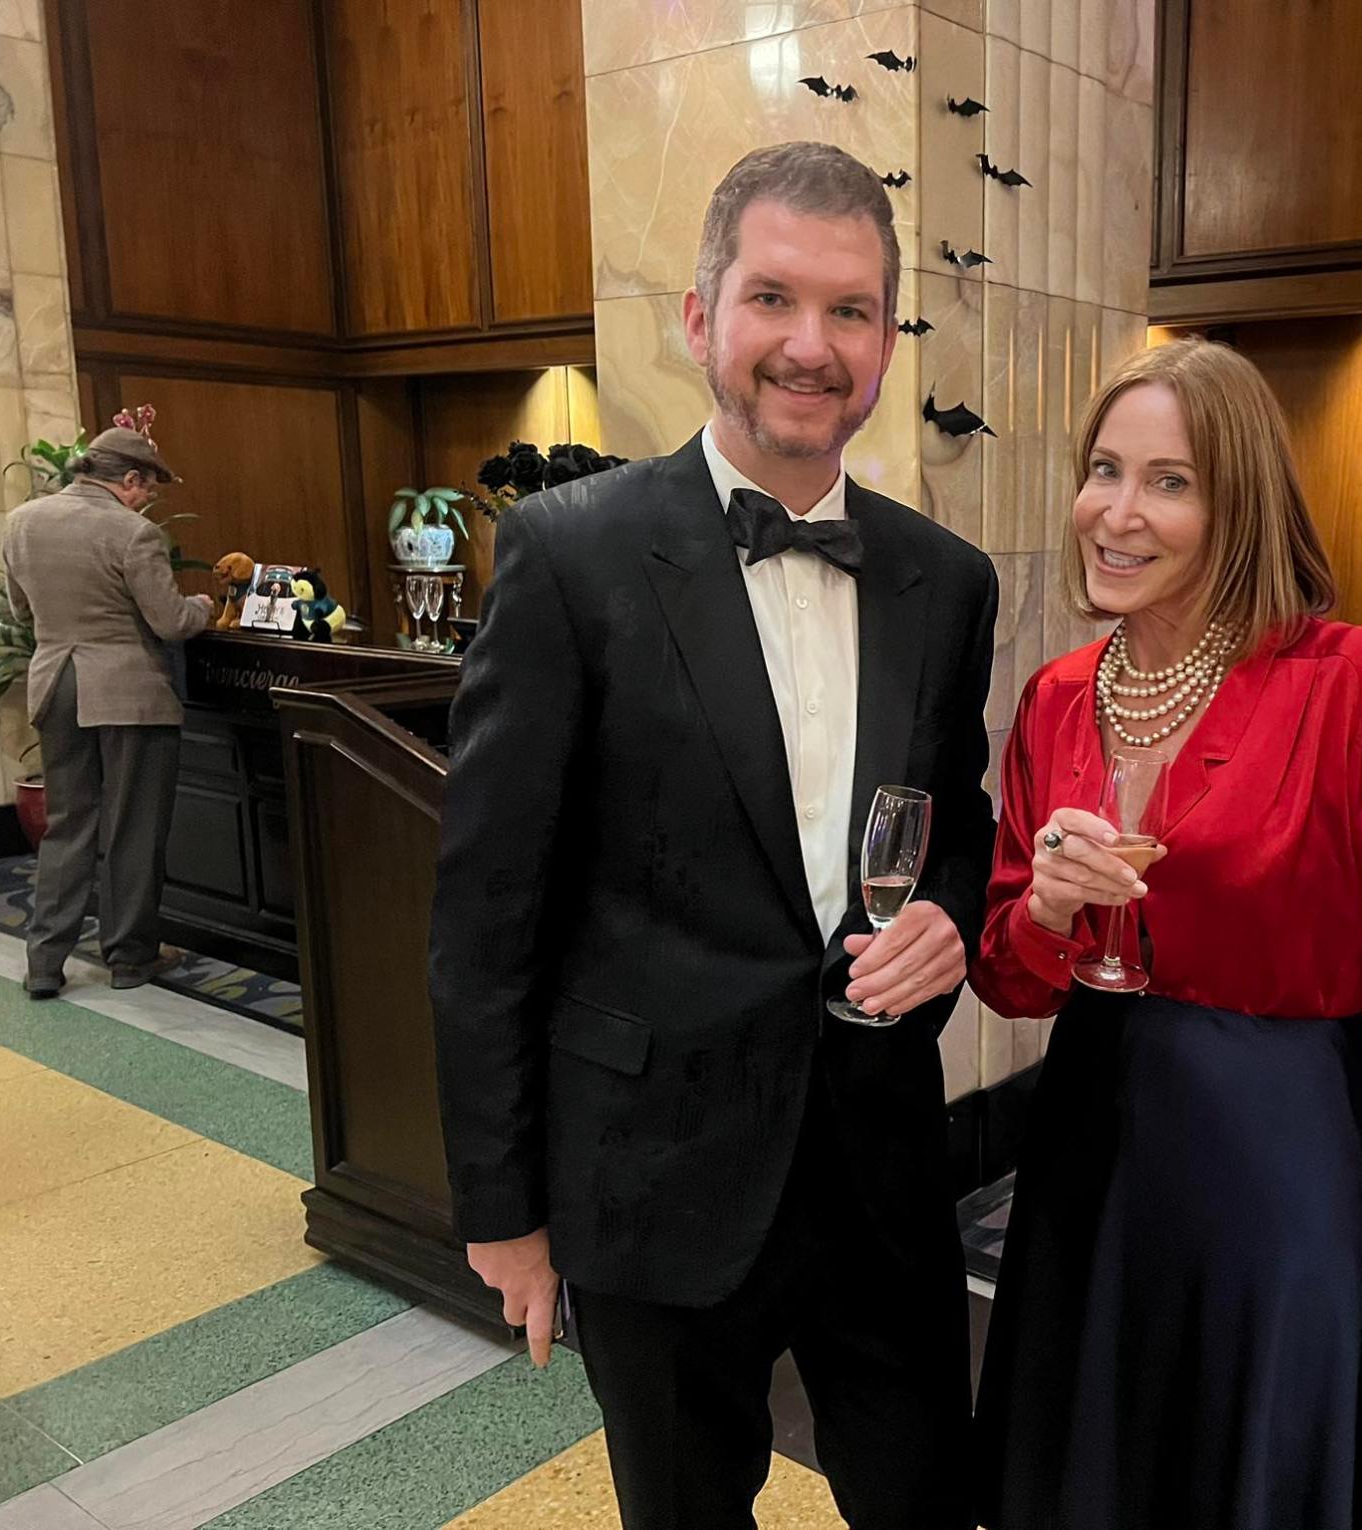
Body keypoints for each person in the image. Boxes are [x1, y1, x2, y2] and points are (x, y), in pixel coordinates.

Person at [428, 141, 998, 1530]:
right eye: (774, 299)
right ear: (702, 318)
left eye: (852, 310)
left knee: (928, 1500)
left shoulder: (945, 579)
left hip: (879, 1174)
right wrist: (505, 1209)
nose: (812, 345)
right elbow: (487, 912)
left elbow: (961, 820)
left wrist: (956, 918)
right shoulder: (570, 557)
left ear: (885, 340)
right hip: (651, 1175)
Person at [968, 338, 1362, 1530]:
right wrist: (1049, 911)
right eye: (1104, 470)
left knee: (1249, 1470)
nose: (1118, 513)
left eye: (1170, 481)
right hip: (1090, 1144)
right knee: (1090, 1463)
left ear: (1240, 505)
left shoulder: (1345, 682)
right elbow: (1010, 978)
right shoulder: (1059, 698)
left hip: (1278, 1151)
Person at [3, 425, 213, 999]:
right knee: (133, 827)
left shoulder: (22, 522)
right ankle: (129, 958)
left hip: (55, 688)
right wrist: (203, 605)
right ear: (128, 479)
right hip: (127, 694)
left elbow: (23, 612)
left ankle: (44, 962)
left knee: (68, 825)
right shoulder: (132, 532)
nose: (148, 500)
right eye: (148, 488)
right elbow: (170, 621)